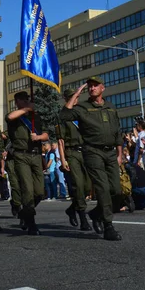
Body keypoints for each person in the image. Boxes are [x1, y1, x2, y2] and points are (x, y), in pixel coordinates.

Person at [59, 76, 122, 241]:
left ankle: (96, 214)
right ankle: (108, 225)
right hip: (92, 152)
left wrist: (120, 154)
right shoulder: (82, 108)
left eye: (95, 85)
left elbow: (117, 133)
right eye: (90, 86)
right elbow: (64, 115)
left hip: (110, 153)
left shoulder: (111, 107)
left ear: (103, 88)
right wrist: (77, 93)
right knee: (102, 188)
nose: (92, 88)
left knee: (116, 191)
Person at [6, 91, 49, 235]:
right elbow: (10, 116)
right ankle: (31, 223)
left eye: (26, 100)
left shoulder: (35, 117)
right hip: (21, 155)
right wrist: (26, 109)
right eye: (21, 100)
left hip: (36, 155)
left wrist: (38, 137)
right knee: (27, 190)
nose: (23, 102)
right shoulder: (15, 117)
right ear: (17, 102)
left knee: (39, 192)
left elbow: (46, 134)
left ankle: (25, 212)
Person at [57, 88, 92, 231]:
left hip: (85, 152)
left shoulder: (82, 113)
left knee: (87, 187)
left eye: (76, 96)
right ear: (66, 99)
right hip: (71, 152)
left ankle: (72, 209)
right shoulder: (63, 117)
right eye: (72, 97)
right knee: (78, 185)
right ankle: (83, 219)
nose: (75, 99)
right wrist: (63, 159)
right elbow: (60, 141)